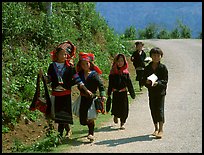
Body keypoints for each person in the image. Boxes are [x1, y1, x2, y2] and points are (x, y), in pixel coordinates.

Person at [39, 40, 92, 139]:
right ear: (57, 55)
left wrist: (85, 89)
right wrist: (45, 78)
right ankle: (67, 130)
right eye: (63, 54)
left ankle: (60, 135)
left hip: (66, 93)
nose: (65, 56)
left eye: (66, 54)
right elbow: (50, 78)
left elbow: (77, 79)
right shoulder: (52, 66)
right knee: (59, 115)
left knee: (64, 114)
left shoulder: (69, 67)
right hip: (56, 93)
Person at [76, 52, 106, 142]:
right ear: (80, 65)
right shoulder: (79, 75)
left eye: (87, 63)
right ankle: (88, 128)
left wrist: (102, 95)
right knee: (82, 120)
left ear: (90, 64)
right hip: (82, 98)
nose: (85, 65)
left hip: (91, 99)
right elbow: (73, 82)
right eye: (82, 64)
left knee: (90, 117)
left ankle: (91, 133)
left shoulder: (94, 74)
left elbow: (101, 85)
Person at [142, 47, 168, 138]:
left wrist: (158, 83)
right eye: (154, 55)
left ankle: (161, 129)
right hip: (151, 92)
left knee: (160, 109)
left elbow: (165, 81)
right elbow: (143, 80)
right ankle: (155, 128)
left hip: (160, 92)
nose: (156, 57)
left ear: (161, 56)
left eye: (158, 55)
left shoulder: (163, 68)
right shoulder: (147, 68)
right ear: (151, 56)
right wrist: (147, 82)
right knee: (153, 109)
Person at [107, 54, 135, 129]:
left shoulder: (126, 73)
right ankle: (115, 115)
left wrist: (132, 93)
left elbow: (129, 84)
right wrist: (109, 93)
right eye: (118, 61)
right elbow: (110, 85)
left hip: (123, 93)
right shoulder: (112, 73)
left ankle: (122, 123)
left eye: (122, 61)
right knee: (115, 107)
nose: (120, 63)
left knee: (124, 109)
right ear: (115, 62)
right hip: (116, 93)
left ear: (124, 62)